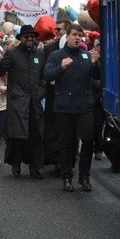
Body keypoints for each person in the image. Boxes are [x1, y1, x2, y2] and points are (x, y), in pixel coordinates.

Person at [45, 24, 100, 192]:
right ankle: (67, 177)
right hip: (65, 107)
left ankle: (84, 177)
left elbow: (96, 79)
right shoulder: (56, 56)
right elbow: (47, 76)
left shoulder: (85, 56)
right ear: (67, 37)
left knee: (88, 140)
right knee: (67, 143)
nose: (78, 38)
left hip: (84, 106)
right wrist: (61, 67)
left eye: (80, 35)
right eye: (74, 35)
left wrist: (95, 64)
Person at [0, 25, 45, 178]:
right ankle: (16, 163)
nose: (29, 39)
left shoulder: (40, 54)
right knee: (17, 137)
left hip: (34, 102)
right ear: (21, 38)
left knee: (35, 136)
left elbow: (44, 77)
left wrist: (41, 92)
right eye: (26, 37)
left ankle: (35, 167)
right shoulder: (12, 54)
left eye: (31, 36)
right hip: (18, 102)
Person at [42, 19, 71, 173]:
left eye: (59, 29)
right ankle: (56, 159)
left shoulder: (75, 49)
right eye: (56, 29)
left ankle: (68, 159)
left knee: (68, 129)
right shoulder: (49, 49)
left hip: (71, 96)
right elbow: (45, 70)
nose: (57, 32)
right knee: (53, 128)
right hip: (53, 93)